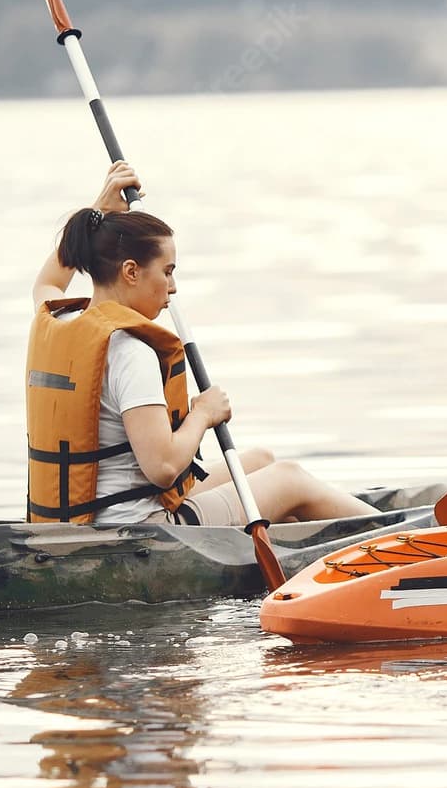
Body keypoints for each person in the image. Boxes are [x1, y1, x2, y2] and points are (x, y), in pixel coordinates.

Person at [27, 161, 375, 528]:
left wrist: (102, 209)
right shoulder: (130, 351)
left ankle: (309, 542)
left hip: (85, 518)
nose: (173, 287)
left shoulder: (62, 321)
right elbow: (162, 468)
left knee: (260, 460)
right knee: (289, 477)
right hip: (145, 531)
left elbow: (47, 282)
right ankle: (414, 538)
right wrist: (203, 415)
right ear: (131, 272)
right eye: (168, 271)